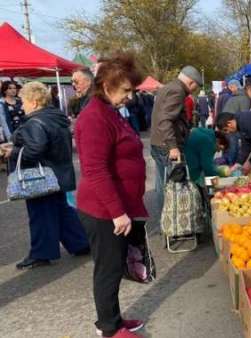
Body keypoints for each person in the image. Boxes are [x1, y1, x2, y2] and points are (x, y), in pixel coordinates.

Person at [74, 53, 146, 338]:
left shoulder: (110, 112)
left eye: (132, 90)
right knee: (108, 268)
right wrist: (117, 211)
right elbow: (95, 170)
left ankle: (112, 318)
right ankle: (109, 329)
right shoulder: (93, 118)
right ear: (106, 85)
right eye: (126, 90)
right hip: (102, 209)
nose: (130, 96)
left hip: (113, 206)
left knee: (114, 266)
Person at [1, 81, 89, 269]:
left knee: (41, 215)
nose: (21, 105)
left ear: (33, 102)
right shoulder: (55, 117)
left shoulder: (35, 122)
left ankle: (42, 253)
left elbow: (35, 150)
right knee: (61, 211)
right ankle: (80, 243)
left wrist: (12, 152)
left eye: (23, 101)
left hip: (41, 177)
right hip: (58, 173)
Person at [150, 65, 203, 210]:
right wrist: (173, 146)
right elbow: (165, 120)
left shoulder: (169, 87)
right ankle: (170, 221)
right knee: (171, 187)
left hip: (159, 142)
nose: (193, 91)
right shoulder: (178, 90)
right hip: (166, 146)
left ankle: (164, 219)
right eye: (195, 87)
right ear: (191, 82)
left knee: (162, 184)